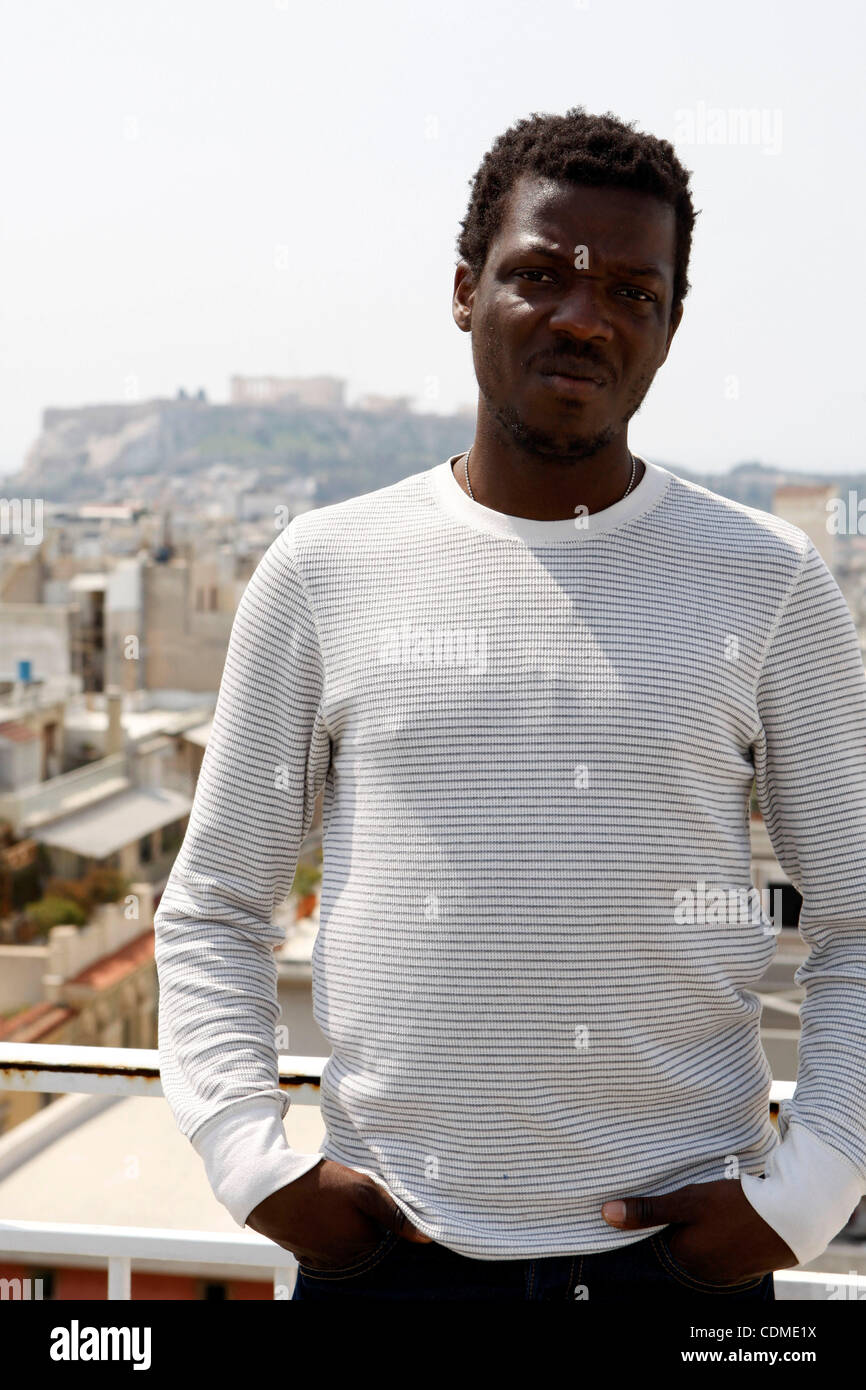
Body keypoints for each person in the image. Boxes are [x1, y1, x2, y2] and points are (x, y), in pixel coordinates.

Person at [154, 106, 866, 1301]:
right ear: (462, 289)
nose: (584, 317)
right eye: (539, 274)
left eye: (632, 291)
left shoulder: (771, 581)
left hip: (677, 1268)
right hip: (389, 1257)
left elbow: (854, 924)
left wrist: (799, 1201)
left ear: (670, 324)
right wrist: (255, 1168)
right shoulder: (322, 566)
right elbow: (217, 903)